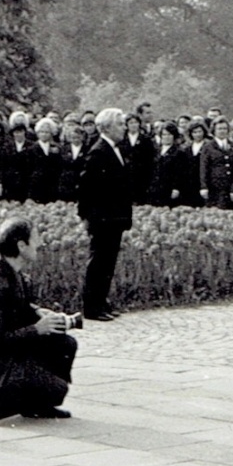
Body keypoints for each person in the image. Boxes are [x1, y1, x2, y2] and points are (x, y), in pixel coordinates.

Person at [0, 216, 77, 424]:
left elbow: (17, 309)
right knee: (57, 388)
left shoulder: (10, 271)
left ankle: (35, 404)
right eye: (35, 238)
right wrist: (35, 330)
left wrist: (38, 313)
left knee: (65, 344)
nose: (40, 243)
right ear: (21, 245)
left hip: (9, 349)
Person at [77, 108, 133, 322]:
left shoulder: (114, 149)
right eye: (120, 124)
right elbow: (86, 188)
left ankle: (101, 302)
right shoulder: (99, 151)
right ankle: (92, 307)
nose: (124, 127)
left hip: (114, 217)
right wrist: (88, 217)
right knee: (99, 262)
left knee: (108, 262)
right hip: (103, 218)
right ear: (107, 127)